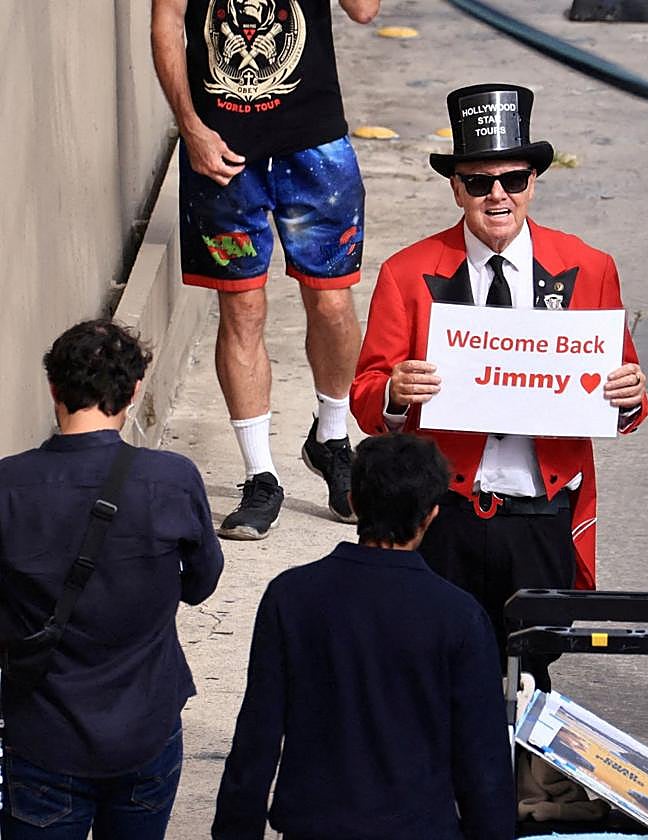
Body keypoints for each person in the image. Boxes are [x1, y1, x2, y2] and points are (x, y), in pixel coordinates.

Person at [350, 83, 648, 687]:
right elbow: (366, 397)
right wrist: (394, 393)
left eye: (512, 180)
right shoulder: (408, 273)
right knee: (437, 666)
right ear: (455, 187)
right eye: (478, 181)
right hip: (446, 510)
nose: (497, 195)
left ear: (533, 182)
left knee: (534, 668)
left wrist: (629, 397)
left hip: (542, 508)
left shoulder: (589, 267)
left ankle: (522, 781)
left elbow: (624, 398)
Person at [150, 0, 380, 540]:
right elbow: (168, 19)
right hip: (223, 146)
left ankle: (331, 437)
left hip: (315, 141)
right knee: (242, 306)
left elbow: (366, 11)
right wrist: (190, 127)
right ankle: (261, 475)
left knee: (332, 300)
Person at [211, 432, 515, 839]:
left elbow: (257, 737)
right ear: (431, 516)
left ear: (353, 501)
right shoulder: (460, 617)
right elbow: (484, 762)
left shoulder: (292, 596)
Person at [0, 320, 224, 839]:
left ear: (53, 387)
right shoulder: (171, 478)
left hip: (43, 736)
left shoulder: (8, 485)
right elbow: (201, 583)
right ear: (135, 389)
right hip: (146, 729)